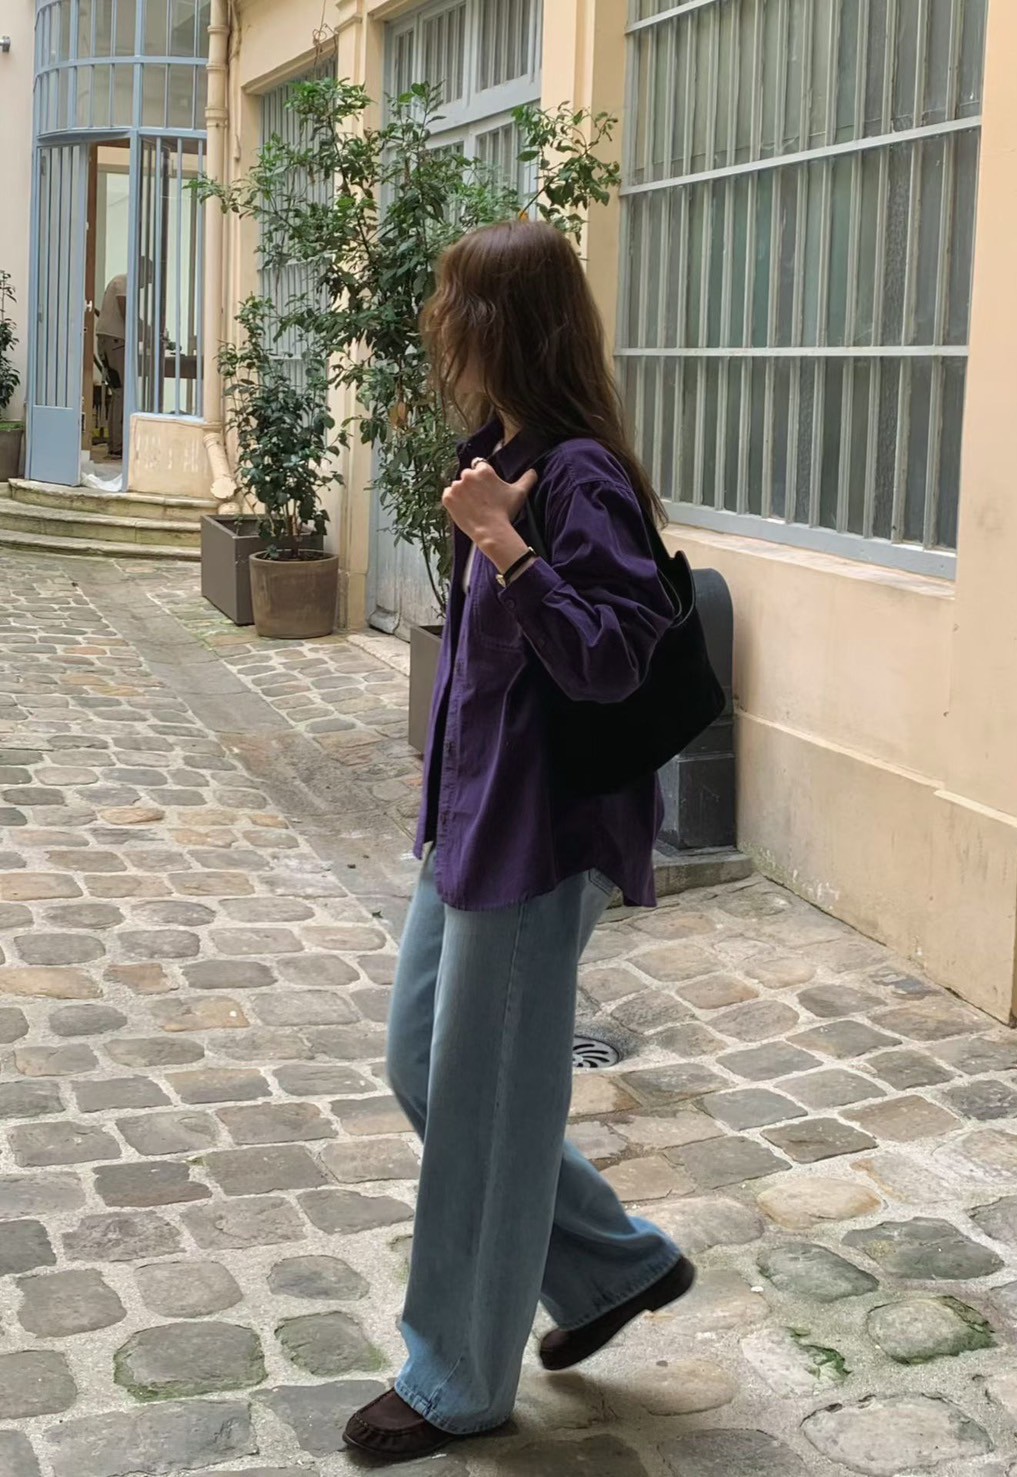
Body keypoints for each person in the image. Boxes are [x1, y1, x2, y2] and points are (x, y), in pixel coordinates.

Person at [343, 219, 695, 1464]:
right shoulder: (496, 457)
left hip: (541, 837)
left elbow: (614, 652)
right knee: (425, 1068)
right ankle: (613, 1265)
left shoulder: (576, 476)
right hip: (474, 821)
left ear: (499, 325)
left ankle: (455, 1378)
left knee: (484, 1108)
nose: (436, 324)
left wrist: (506, 545)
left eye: (453, 304)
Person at [96, 272, 128, 457]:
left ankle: (115, 443)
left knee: (117, 391)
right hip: (115, 342)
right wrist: (145, 331)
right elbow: (125, 310)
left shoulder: (118, 280)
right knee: (121, 391)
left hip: (108, 341)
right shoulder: (124, 281)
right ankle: (117, 444)